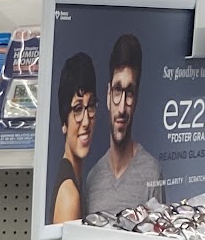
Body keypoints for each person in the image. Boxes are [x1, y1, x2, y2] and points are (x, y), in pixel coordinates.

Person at [88, 33, 161, 211]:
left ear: (136, 99)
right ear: (108, 95)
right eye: (117, 90)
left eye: (129, 93)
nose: (121, 108)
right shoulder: (92, 179)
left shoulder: (152, 172)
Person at [50, 52, 96, 222]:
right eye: (77, 109)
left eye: (91, 106)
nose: (86, 121)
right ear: (64, 122)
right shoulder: (69, 195)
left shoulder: (75, 179)